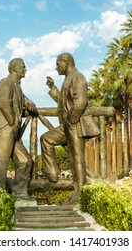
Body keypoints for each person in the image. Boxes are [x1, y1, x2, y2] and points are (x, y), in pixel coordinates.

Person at [40, 52, 99, 204]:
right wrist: (52, 87)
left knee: (76, 158)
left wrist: (71, 121)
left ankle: (80, 194)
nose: (56, 67)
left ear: (66, 62)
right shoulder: (68, 79)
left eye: (58, 64)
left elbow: (81, 102)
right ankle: (51, 172)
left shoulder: (77, 77)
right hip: (68, 125)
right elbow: (62, 101)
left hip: (75, 125)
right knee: (46, 139)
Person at [0, 58, 36, 200]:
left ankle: (20, 192)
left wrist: (29, 103)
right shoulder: (6, 82)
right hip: (4, 128)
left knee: (25, 160)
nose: (25, 69)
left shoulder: (17, 86)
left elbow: (22, 98)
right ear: (14, 68)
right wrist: (14, 121)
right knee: (1, 166)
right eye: (23, 67)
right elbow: (3, 102)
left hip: (13, 131)